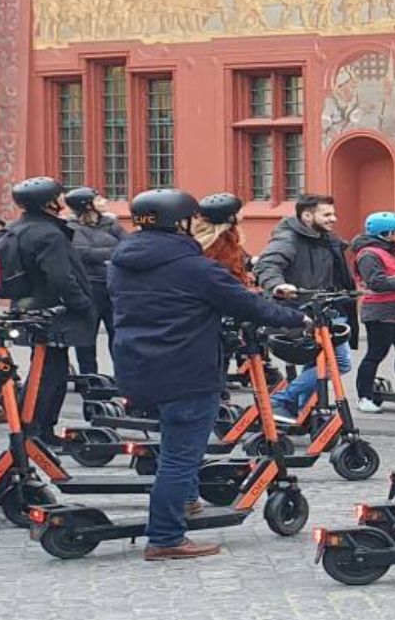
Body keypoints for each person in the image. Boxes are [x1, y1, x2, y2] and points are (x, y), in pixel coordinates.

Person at [108, 189, 308, 561]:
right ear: (180, 222)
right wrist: (298, 318)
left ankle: (184, 503)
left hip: (137, 366)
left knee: (173, 445)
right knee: (180, 456)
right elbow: (246, 304)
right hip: (186, 369)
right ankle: (166, 536)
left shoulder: (121, 261)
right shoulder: (193, 267)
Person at [0, 176, 96, 448]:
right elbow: (60, 276)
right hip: (52, 310)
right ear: (48, 202)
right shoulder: (48, 233)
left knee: (48, 370)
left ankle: (37, 427)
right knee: (49, 374)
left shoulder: (21, 228)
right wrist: (82, 302)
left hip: (30, 306)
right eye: (59, 196)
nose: (63, 200)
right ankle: (35, 428)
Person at [255, 194, 356, 418]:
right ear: (308, 216)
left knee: (317, 362)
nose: (334, 219)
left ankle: (298, 410)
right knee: (339, 362)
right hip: (300, 311)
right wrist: (278, 286)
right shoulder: (288, 239)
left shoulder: (326, 239)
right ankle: (280, 401)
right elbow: (267, 265)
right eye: (327, 214)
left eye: (333, 213)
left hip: (324, 310)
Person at [352, 211, 395, 413]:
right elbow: (377, 283)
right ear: (387, 233)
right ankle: (364, 397)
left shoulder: (390, 252)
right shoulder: (369, 255)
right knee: (376, 353)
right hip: (379, 312)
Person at [65, 187, 124, 377]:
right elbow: (82, 253)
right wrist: (113, 251)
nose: (105, 201)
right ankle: (90, 379)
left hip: (114, 285)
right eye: (99, 199)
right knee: (86, 338)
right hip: (90, 286)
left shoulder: (111, 223)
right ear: (88, 205)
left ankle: (122, 378)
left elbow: (129, 245)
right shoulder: (71, 227)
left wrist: (104, 253)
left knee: (119, 335)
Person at [192, 193, 253, 285]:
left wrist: (251, 261)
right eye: (238, 210)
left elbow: (242, 257)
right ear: (231, 217)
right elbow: (229, 276)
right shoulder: (220, 243)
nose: (242, 211)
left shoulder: (227, 234)